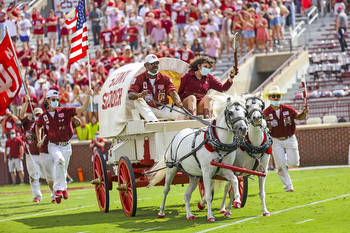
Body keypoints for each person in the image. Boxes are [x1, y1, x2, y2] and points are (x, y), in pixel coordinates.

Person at [35, 88, 93, 204]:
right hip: (53, 145)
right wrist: (39, 139)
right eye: (53, 99)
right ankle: (58, 190)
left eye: (57, 99)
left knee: (63, 168)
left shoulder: (65, 111)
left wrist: (88, 96)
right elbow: (38, 126)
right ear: (47, 100)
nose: (56, 101)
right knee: (60, 161)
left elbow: (82, 109)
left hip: (67, 145)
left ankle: (64, 188)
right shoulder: (44, 116)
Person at [263, 85, 308, 192]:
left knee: (294, 163)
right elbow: (264, 127)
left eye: (277, 96)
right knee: (280, 166)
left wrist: (304, 113)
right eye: (273, 96)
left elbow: (299, 117)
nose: (275, 98)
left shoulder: (288, 109)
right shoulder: (265, 113)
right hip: (275, 140)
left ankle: (284, 160)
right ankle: (288, 186)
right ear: (269, 98)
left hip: (290, 138)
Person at [128, 54, 183, 122]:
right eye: (152, 63)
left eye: (157, 63)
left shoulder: (165, 78)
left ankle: (175, 130)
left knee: (181, 113)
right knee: (138, 101)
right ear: (146, 65)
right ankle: (154, 122)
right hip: (147, 109)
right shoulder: (139, 78)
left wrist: (177, 100)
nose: (155, 65)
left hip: (162, 108)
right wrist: (140, 95)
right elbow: (130, 95)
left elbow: (172, 91)